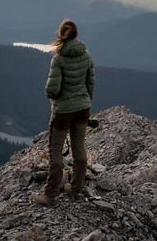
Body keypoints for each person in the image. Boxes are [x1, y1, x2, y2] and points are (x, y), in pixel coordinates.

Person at [33, 19, 95, 206]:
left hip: (63, 112)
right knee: (79, 149)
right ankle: (75, 188)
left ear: (61, 35)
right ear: (76, 35)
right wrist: (86, 101)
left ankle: (50, 195)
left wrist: (56, 98)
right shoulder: (86, 55)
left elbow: (52, 89)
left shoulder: (58, 58)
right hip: (83, 109)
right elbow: (90, 82)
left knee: (56, 153)